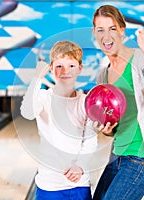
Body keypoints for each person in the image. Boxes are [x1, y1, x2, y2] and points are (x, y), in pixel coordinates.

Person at [91, 5, 144, 200]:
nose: (106, 36)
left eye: (112, 28)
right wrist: (107, 129)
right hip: (117, 157)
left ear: (122, 29)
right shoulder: (102, 76)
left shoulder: (139, 59)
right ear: (94, 32)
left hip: (143, 159)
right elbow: (113, 127)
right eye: (100, 30)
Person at [20, 40, 97, 200]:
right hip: (49, 185)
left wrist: (81, 167)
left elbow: (90, 140)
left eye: (71, 66)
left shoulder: (85, 102)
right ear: (51, 69)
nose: (65, 71)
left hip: (79, 184)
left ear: (80, 69)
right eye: (59, 66)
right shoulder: (43, 98)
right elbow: (28, 112)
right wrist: (37, 78)